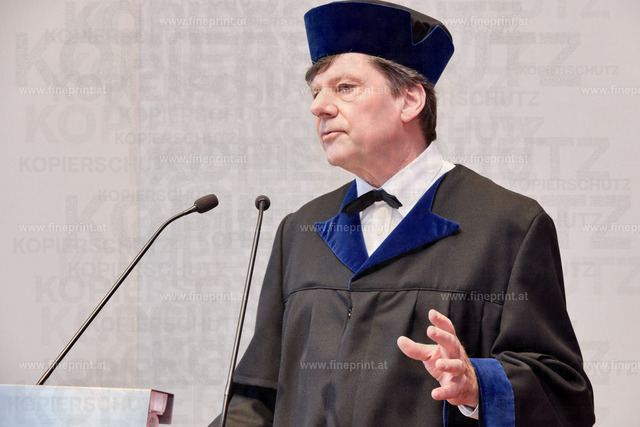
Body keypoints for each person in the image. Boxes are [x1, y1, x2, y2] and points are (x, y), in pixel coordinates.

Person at [211, 1, 595, 425]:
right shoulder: (299, 231)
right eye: (315, 92)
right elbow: (257, 398)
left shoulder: (509, 226)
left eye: (344, 87)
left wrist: (476, 384)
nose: (318, 107)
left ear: (409, 99)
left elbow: (563, 394)